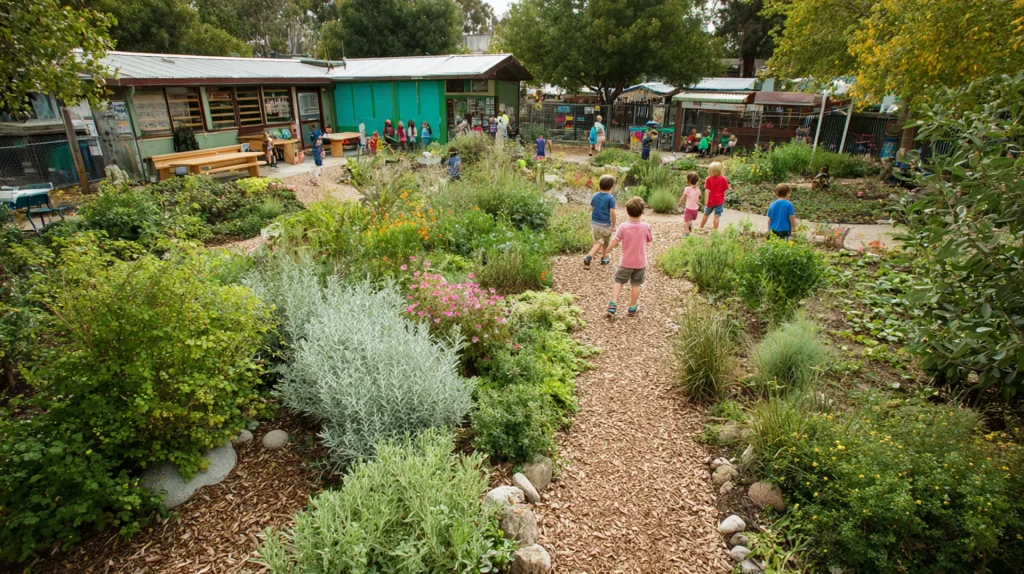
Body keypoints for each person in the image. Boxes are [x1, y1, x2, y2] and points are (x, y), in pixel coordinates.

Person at [606, 196, 653, 318]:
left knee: (618, 281)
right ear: (642, 211)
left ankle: (613, 304)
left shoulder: (623, 226)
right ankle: (632, 308)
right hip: (640, 262)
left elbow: (616, 240)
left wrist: (609, 248)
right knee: (636, 285)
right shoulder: (646, 226)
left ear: (627, 211)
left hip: (626, 262)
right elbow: (649, 240)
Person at [584, 175, 618, 268]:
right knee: (604, 241)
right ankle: (590, 257)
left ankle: (603, 256)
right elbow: (612, 212)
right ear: (611, 187)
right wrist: (614, 224)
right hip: (605, 224)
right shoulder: (611, 198)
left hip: (594, 223)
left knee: (598, 240)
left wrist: (587, 216)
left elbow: (591, 208)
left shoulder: (595, 195)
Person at [699, 161, 729, 231]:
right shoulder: (723, 179)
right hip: (719, 201)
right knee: (717, 216)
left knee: (706, 214)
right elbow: (725, 188)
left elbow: (707, 190)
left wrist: (706, 201)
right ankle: (715, 230)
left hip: (710, 201)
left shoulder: (709, 179)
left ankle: (701, 227)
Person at [676, 171, 702, 236]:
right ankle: (689, 225)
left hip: (688, 209)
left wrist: (679, 204)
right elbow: (699, 198)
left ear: (688, 181)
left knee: (686, 221)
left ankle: (687, 233)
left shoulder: (687, 189)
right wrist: (698, 203)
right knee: (689, 219)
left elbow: (683, 197)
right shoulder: (698, 190)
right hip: (695, 210)